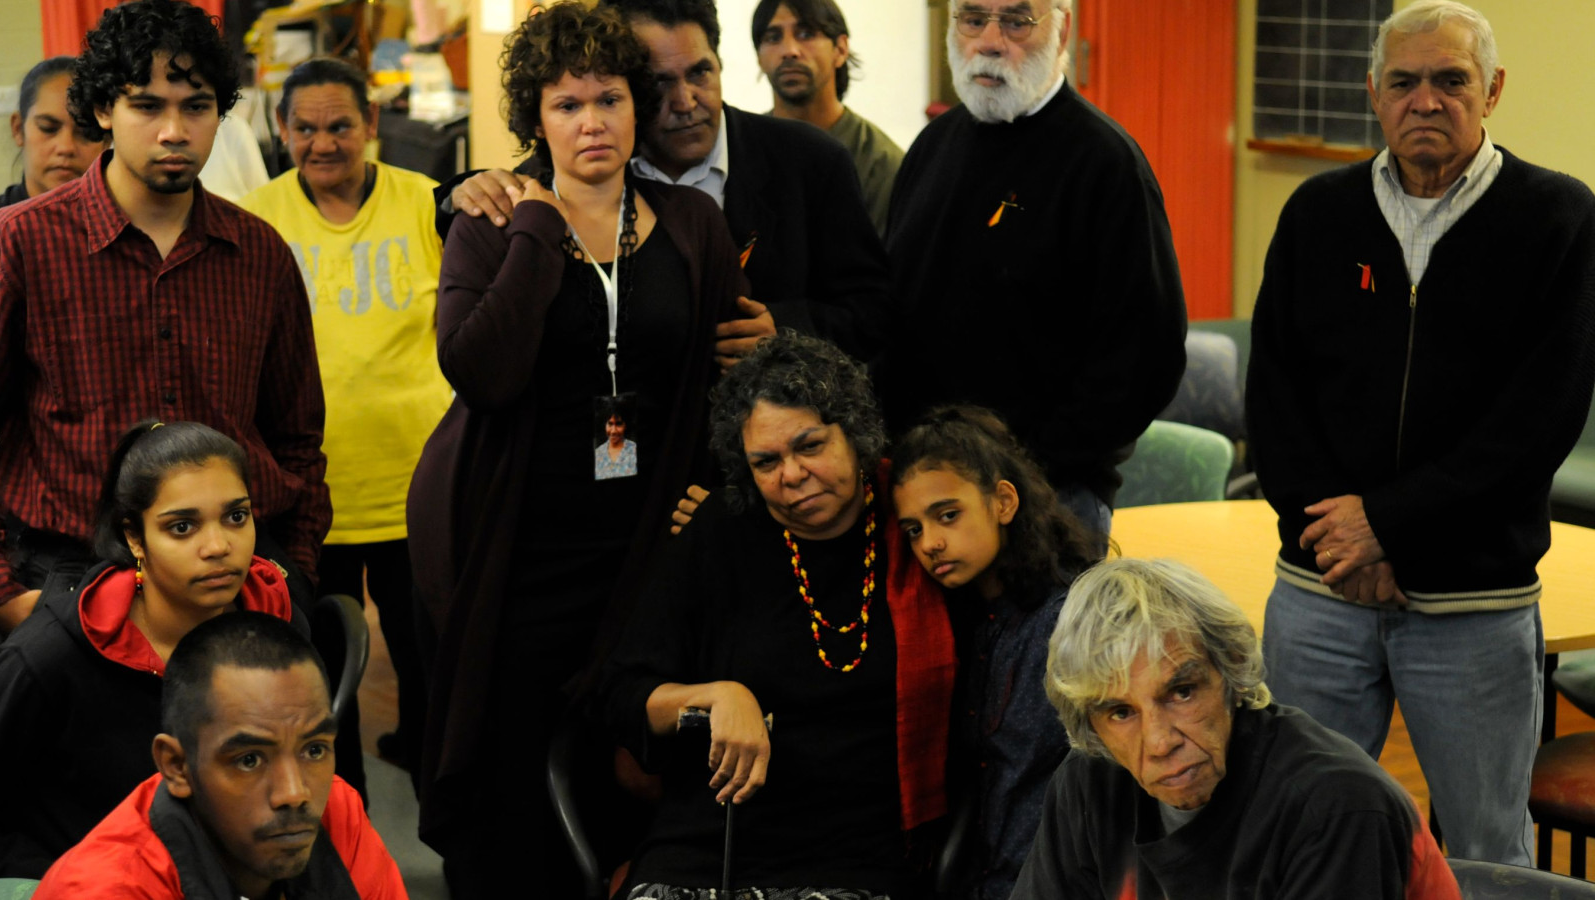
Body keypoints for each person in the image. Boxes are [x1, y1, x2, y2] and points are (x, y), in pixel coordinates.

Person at [403, 5, 768, 895]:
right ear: (536, 117)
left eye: (609, 98)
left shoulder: (691, 224)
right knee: (515, 778)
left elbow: (733, 385)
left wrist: (716, 490)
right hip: (521, 544)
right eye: (567, 106)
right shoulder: (490, 222)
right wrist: (536, 228)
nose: (592, 122)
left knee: (633, 770)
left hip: (647, 546)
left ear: (638, 107)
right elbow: (481, 371)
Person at [1245, 0, 1595, 867]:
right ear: (1374, 93)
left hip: (1473, 608)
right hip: (1320, 594)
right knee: (1302, 831)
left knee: (1484, 849)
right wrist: (1338, 540)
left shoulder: (1557, 218)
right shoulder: (1317, 213)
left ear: (1494, 90)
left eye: (1451, 81)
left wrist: (1388, 524)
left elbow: (1538, 418)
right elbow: (1275, 395)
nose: (1426, 102)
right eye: (1405, 82)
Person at [0, 0, 329, 637]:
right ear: (103, 111)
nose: (174, 131)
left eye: (196, 107)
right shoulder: (21, 244)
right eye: (147, 106)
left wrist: (298, 574)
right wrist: (6, 595)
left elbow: (297, 441)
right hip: (67, 577)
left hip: (236, 578)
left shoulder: (260, 254)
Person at [602, 330, 955, 899]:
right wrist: (718, 695)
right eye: (766, 461)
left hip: (858, 858)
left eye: (810, 445)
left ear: (855, 434)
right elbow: (620, 693)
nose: (790, 475)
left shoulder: (918, 524)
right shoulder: (720, 531)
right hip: (711, 845)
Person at [878, 0, 1186, 540]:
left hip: (1047, 502)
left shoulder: (1104, 163)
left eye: (1017, 21)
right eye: (972, 19)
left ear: (1062, 29)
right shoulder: (931, 148)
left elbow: (1145, 360)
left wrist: (1022, 469)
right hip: (924, 498)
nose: (991, 41)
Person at [440, 0, 891, 360]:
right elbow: (500, 201)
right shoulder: (594, 166)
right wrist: (463, 192)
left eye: (700, 73)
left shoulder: (810, 160)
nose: (685, 101)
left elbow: (876, 312)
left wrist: (787, 329)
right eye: (660, 84)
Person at [240, 56, 450, 793]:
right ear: (280, 129)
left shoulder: (427, 202)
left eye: (339, 127)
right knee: (321, 678)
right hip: (308, 498)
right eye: (304, 128)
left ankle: (446, 819)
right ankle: (340, 825)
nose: (322, 143)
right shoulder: (257, 217)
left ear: (371, 127)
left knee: (430, 668)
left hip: (418, 493)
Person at [1010, 558, 1461, 900]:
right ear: (1091, 724)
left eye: (1182, 692)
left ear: (1231, 674)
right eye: (1120, 713)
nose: (1160, 742)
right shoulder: (1091, 780)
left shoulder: (1338, 809)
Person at [0, 421, 304, 877]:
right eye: (182, 527)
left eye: (236, 516)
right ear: (134, 537)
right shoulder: (48, 657)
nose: (219, 546)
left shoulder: (280, 621)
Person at [34, 611, 408, 900]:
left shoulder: (336, 808)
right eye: (249, 760)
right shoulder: (105, 890)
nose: (295, 793)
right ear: (177, 766)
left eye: (313, 750)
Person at [891, 405, 1099, 900]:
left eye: (947, 515)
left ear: (1003, 501)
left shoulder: (1071, 622)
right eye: (914, 530)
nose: (931, 544)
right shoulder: (957, 626)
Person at [751, 0, 903, 236]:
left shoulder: (880, 162)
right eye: (773, 37)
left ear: (840, 49)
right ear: (759, 57)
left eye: (806, 34)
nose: (789, 50)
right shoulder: (741, 149)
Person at [0, 56, 107, 213]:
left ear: (106, 139)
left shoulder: (133, 226)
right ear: (18, 129)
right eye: (48, 128)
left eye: (86, 132)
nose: (66, 147)